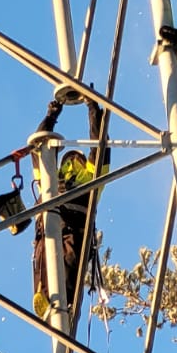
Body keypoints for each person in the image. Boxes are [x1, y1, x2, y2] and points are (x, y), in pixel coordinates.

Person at [29, 89, 106, 321]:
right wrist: (51, 116)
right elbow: (40, 147)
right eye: (68, 159)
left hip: (76, 228)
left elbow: (100, 146)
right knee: (44, 261)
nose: (72, 162)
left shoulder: (91, 179)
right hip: (49, 227)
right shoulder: (50, 179)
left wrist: (93, 108)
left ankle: (68, 305)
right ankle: (47, 301)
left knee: (70, 264)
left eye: (75, 159)